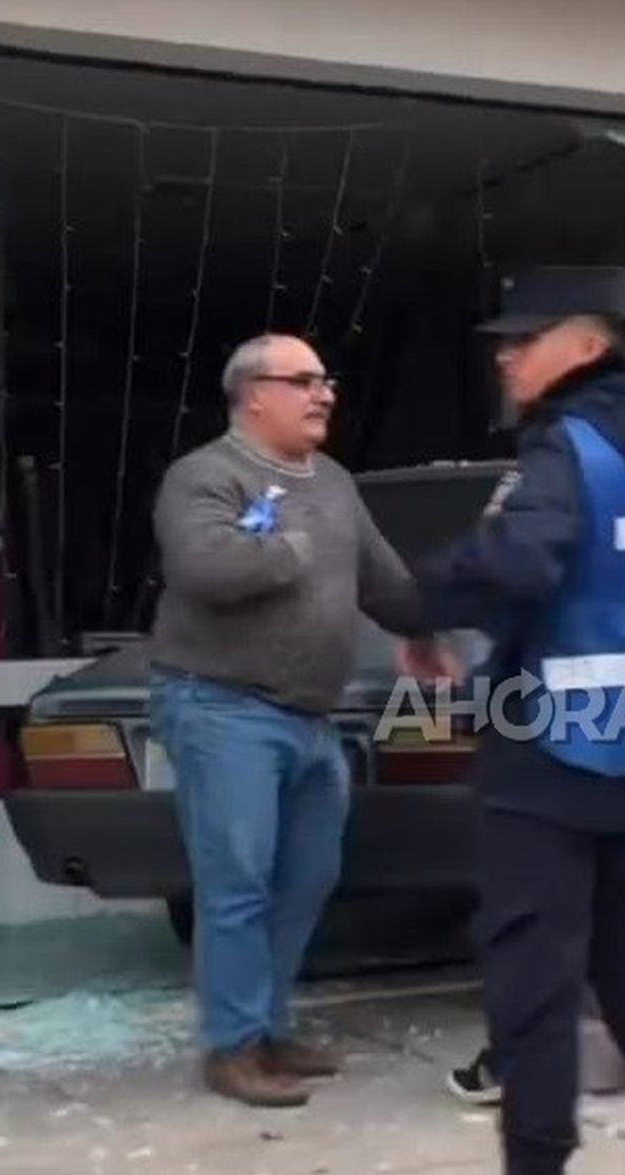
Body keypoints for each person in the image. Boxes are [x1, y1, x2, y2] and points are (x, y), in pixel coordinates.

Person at [402, 265, 625, 1175]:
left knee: (534, 990)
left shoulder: (564, 445)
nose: (504, 354)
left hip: (549, 756)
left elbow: (521, 563)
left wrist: (420, 600)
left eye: (522, 338)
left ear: (586, 344)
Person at [149, 333, 449, 1109]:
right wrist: (290, 549)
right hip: (222, 706)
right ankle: (232, 1046)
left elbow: (383, 579)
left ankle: (269, 1024)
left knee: (308, 877)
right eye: (305, 381)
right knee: (237, 881)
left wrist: (425, 624)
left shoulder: (336, 483)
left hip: (312, 717)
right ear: (254, 394)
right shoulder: (205, 476)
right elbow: (203, 569)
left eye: (327, 382)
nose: (325, 394)